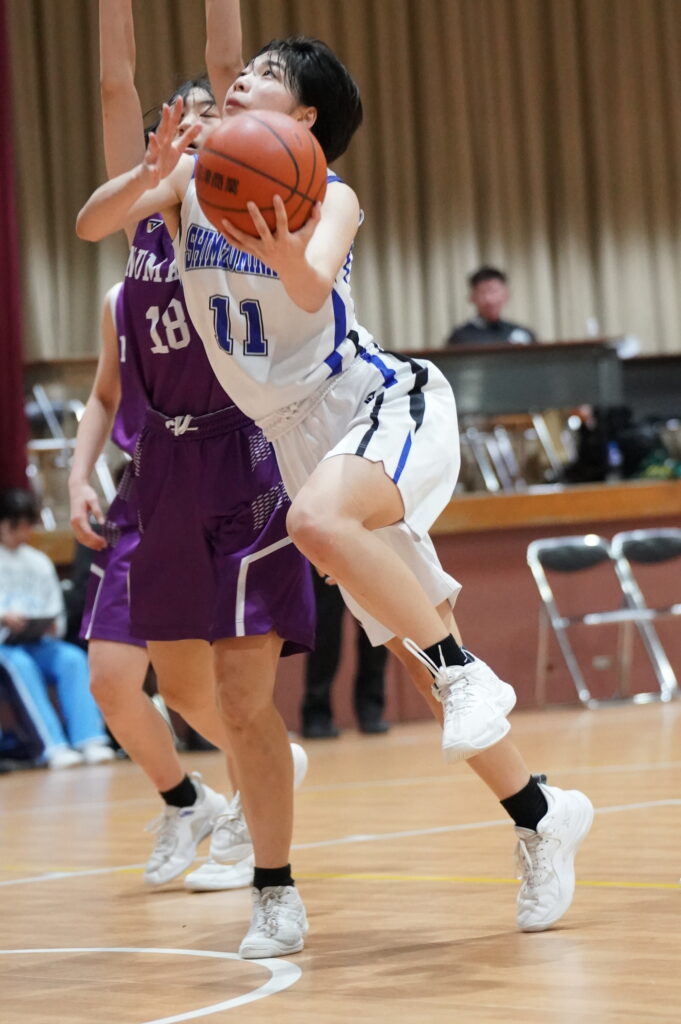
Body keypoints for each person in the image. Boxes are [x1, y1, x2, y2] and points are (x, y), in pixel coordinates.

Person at [77, 16, 593, 955]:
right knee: (408, 643)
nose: (238, 81)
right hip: (294, 441)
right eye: (239, 73)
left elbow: (312, 290)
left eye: (262, 74)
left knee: (326, 533)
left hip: (371, 402)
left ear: (305, 118)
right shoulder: (191, 182)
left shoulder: (330, 193)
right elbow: (89, 223)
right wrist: (144, 175)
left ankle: (466, 672)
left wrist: (281, 255)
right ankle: (540, 812)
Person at [69, 0, 311, 894]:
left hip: (241, 448)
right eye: (184, 118)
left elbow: (225, 58)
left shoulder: (232, 204)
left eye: (216, 111)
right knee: (165, 684)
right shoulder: (142, 206)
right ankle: (234, 781)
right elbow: (113, 83)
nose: (202, 119)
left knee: (232, 675)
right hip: (160, 467)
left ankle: (255, 809)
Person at [0, 487, 114, 769]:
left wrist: (50, 625)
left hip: (38, 641)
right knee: (20, 665)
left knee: (72, 658)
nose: (22, 532)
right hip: (5, 646)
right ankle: (51, 746)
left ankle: (90, 739)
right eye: (16, 525)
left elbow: (56, 611)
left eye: (26, 525)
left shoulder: (38, 561)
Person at [302, 571, 389, 738]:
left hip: (371, 559)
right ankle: (317, 714)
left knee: (376, 629)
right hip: (327, 558)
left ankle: (371, 710)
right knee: (326, 633)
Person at [446, 266, 536, 346]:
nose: (489, 299)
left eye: (494, 291)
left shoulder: (523, 333)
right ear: (472, 298)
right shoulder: (460, 337)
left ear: (506, 295)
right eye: (482, 292)